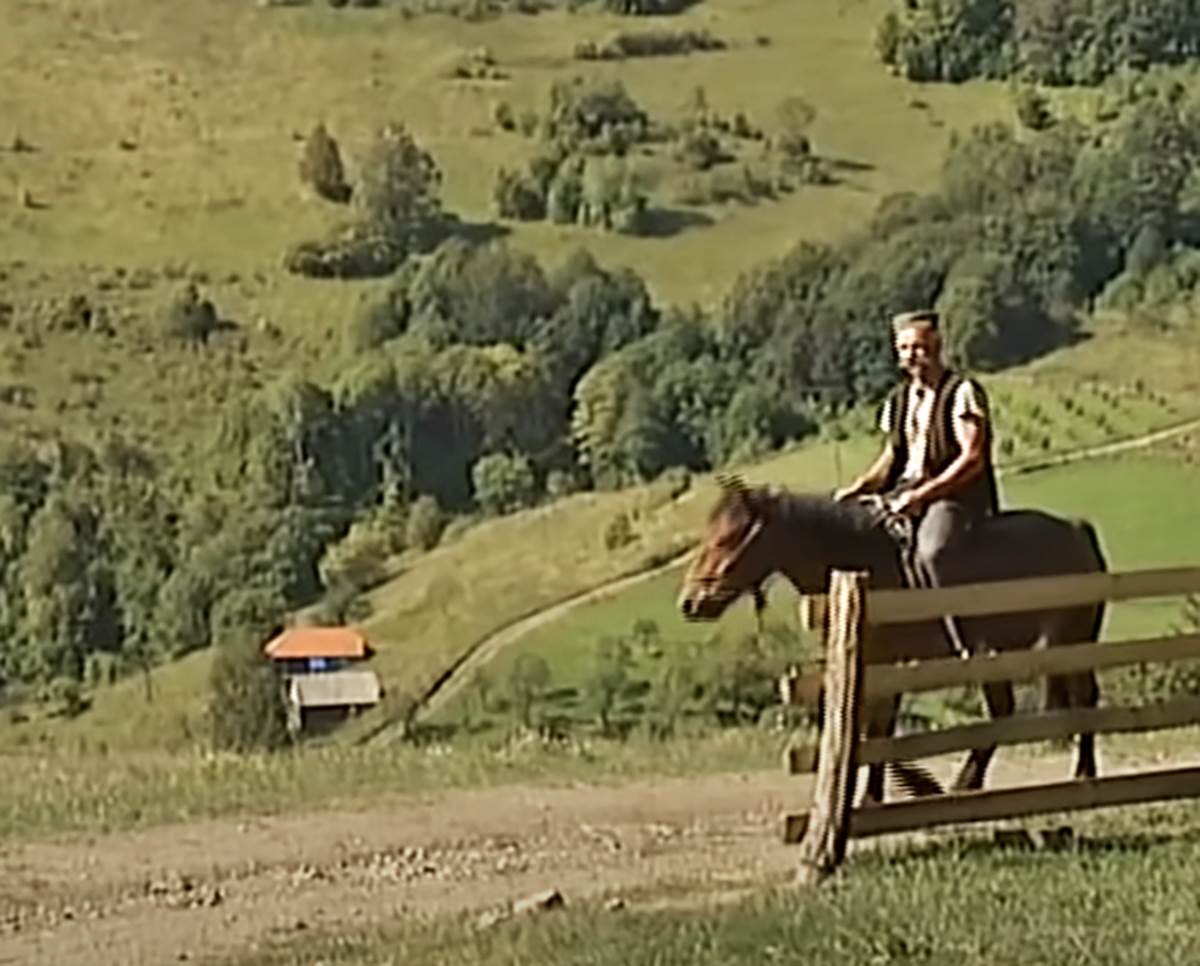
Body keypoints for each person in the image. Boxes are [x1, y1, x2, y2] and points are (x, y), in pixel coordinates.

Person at [834, 309, 999, 651]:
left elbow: (972, 457)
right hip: (906, 490)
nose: (912, 356)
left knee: (933, 551)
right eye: (905, 349)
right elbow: (890, 459)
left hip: (955, 495)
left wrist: (924, 495)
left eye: (920, 347)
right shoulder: (897, 402)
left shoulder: (963, 392)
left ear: (937, 347)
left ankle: (962, 637)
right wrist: (858, 488)